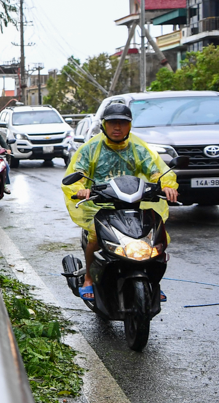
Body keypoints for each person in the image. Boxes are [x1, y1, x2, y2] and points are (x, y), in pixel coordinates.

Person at [61, 101, 178, 302]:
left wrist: (166, 185)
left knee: (157, 240)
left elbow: (156, 169)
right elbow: (77, 173)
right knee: (95, 239)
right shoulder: (91, 149)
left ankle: (154, 281)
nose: (117, 127)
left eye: (123, 123)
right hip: (100, 204)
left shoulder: (138, 147)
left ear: (129, 125)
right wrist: (80, 189)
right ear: (104, 125)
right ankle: (89, 277)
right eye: (113, 122)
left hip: (133, 202)